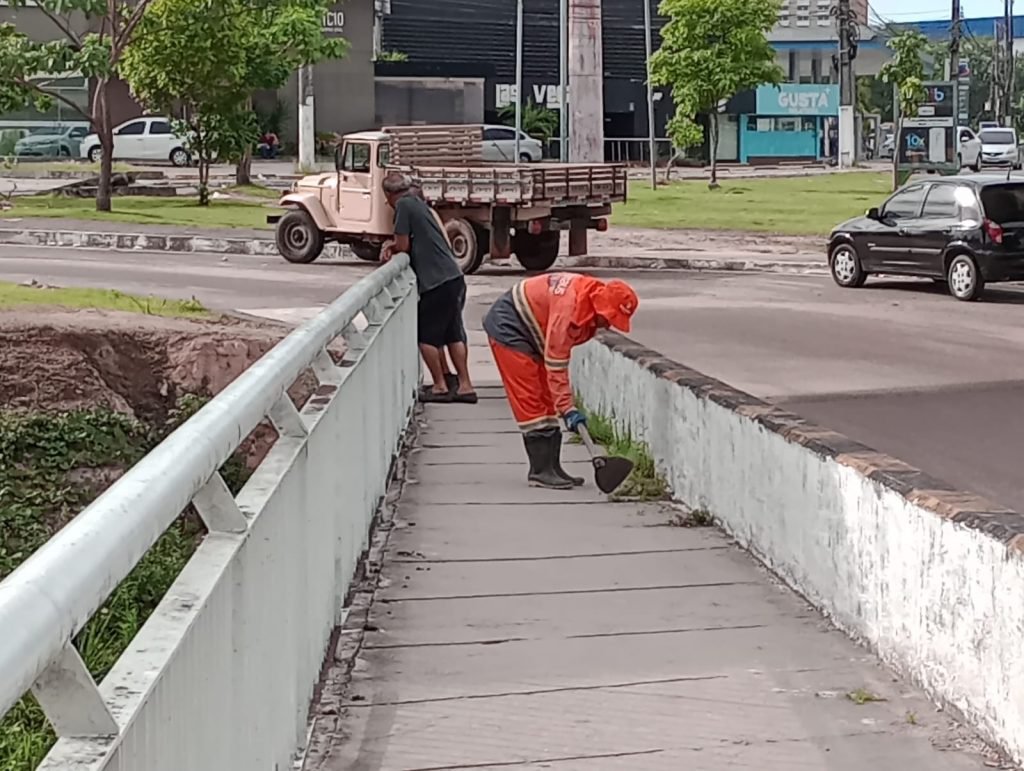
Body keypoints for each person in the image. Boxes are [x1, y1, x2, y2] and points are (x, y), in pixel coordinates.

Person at [483, 272, 638, 489]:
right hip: (509, 325)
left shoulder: (589, 299)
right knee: (531, 399)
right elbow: (556, 364)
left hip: (531, 329)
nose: (608, 325)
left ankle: (553, 468)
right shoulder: (569, 311)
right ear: (600, 305)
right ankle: (540, 471)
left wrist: (563, 405)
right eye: (609, 318)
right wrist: (567, 407)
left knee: (547, 398)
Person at [381, 172, 477, 403]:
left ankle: (440, 386)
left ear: (390, 194)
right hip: (453, 277)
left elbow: (403, 245)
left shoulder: (403, 206)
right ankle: (465, 386)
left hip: (435, 282)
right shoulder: (419, 204)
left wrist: (390, 247)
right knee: (454, 333)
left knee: (426, 336)